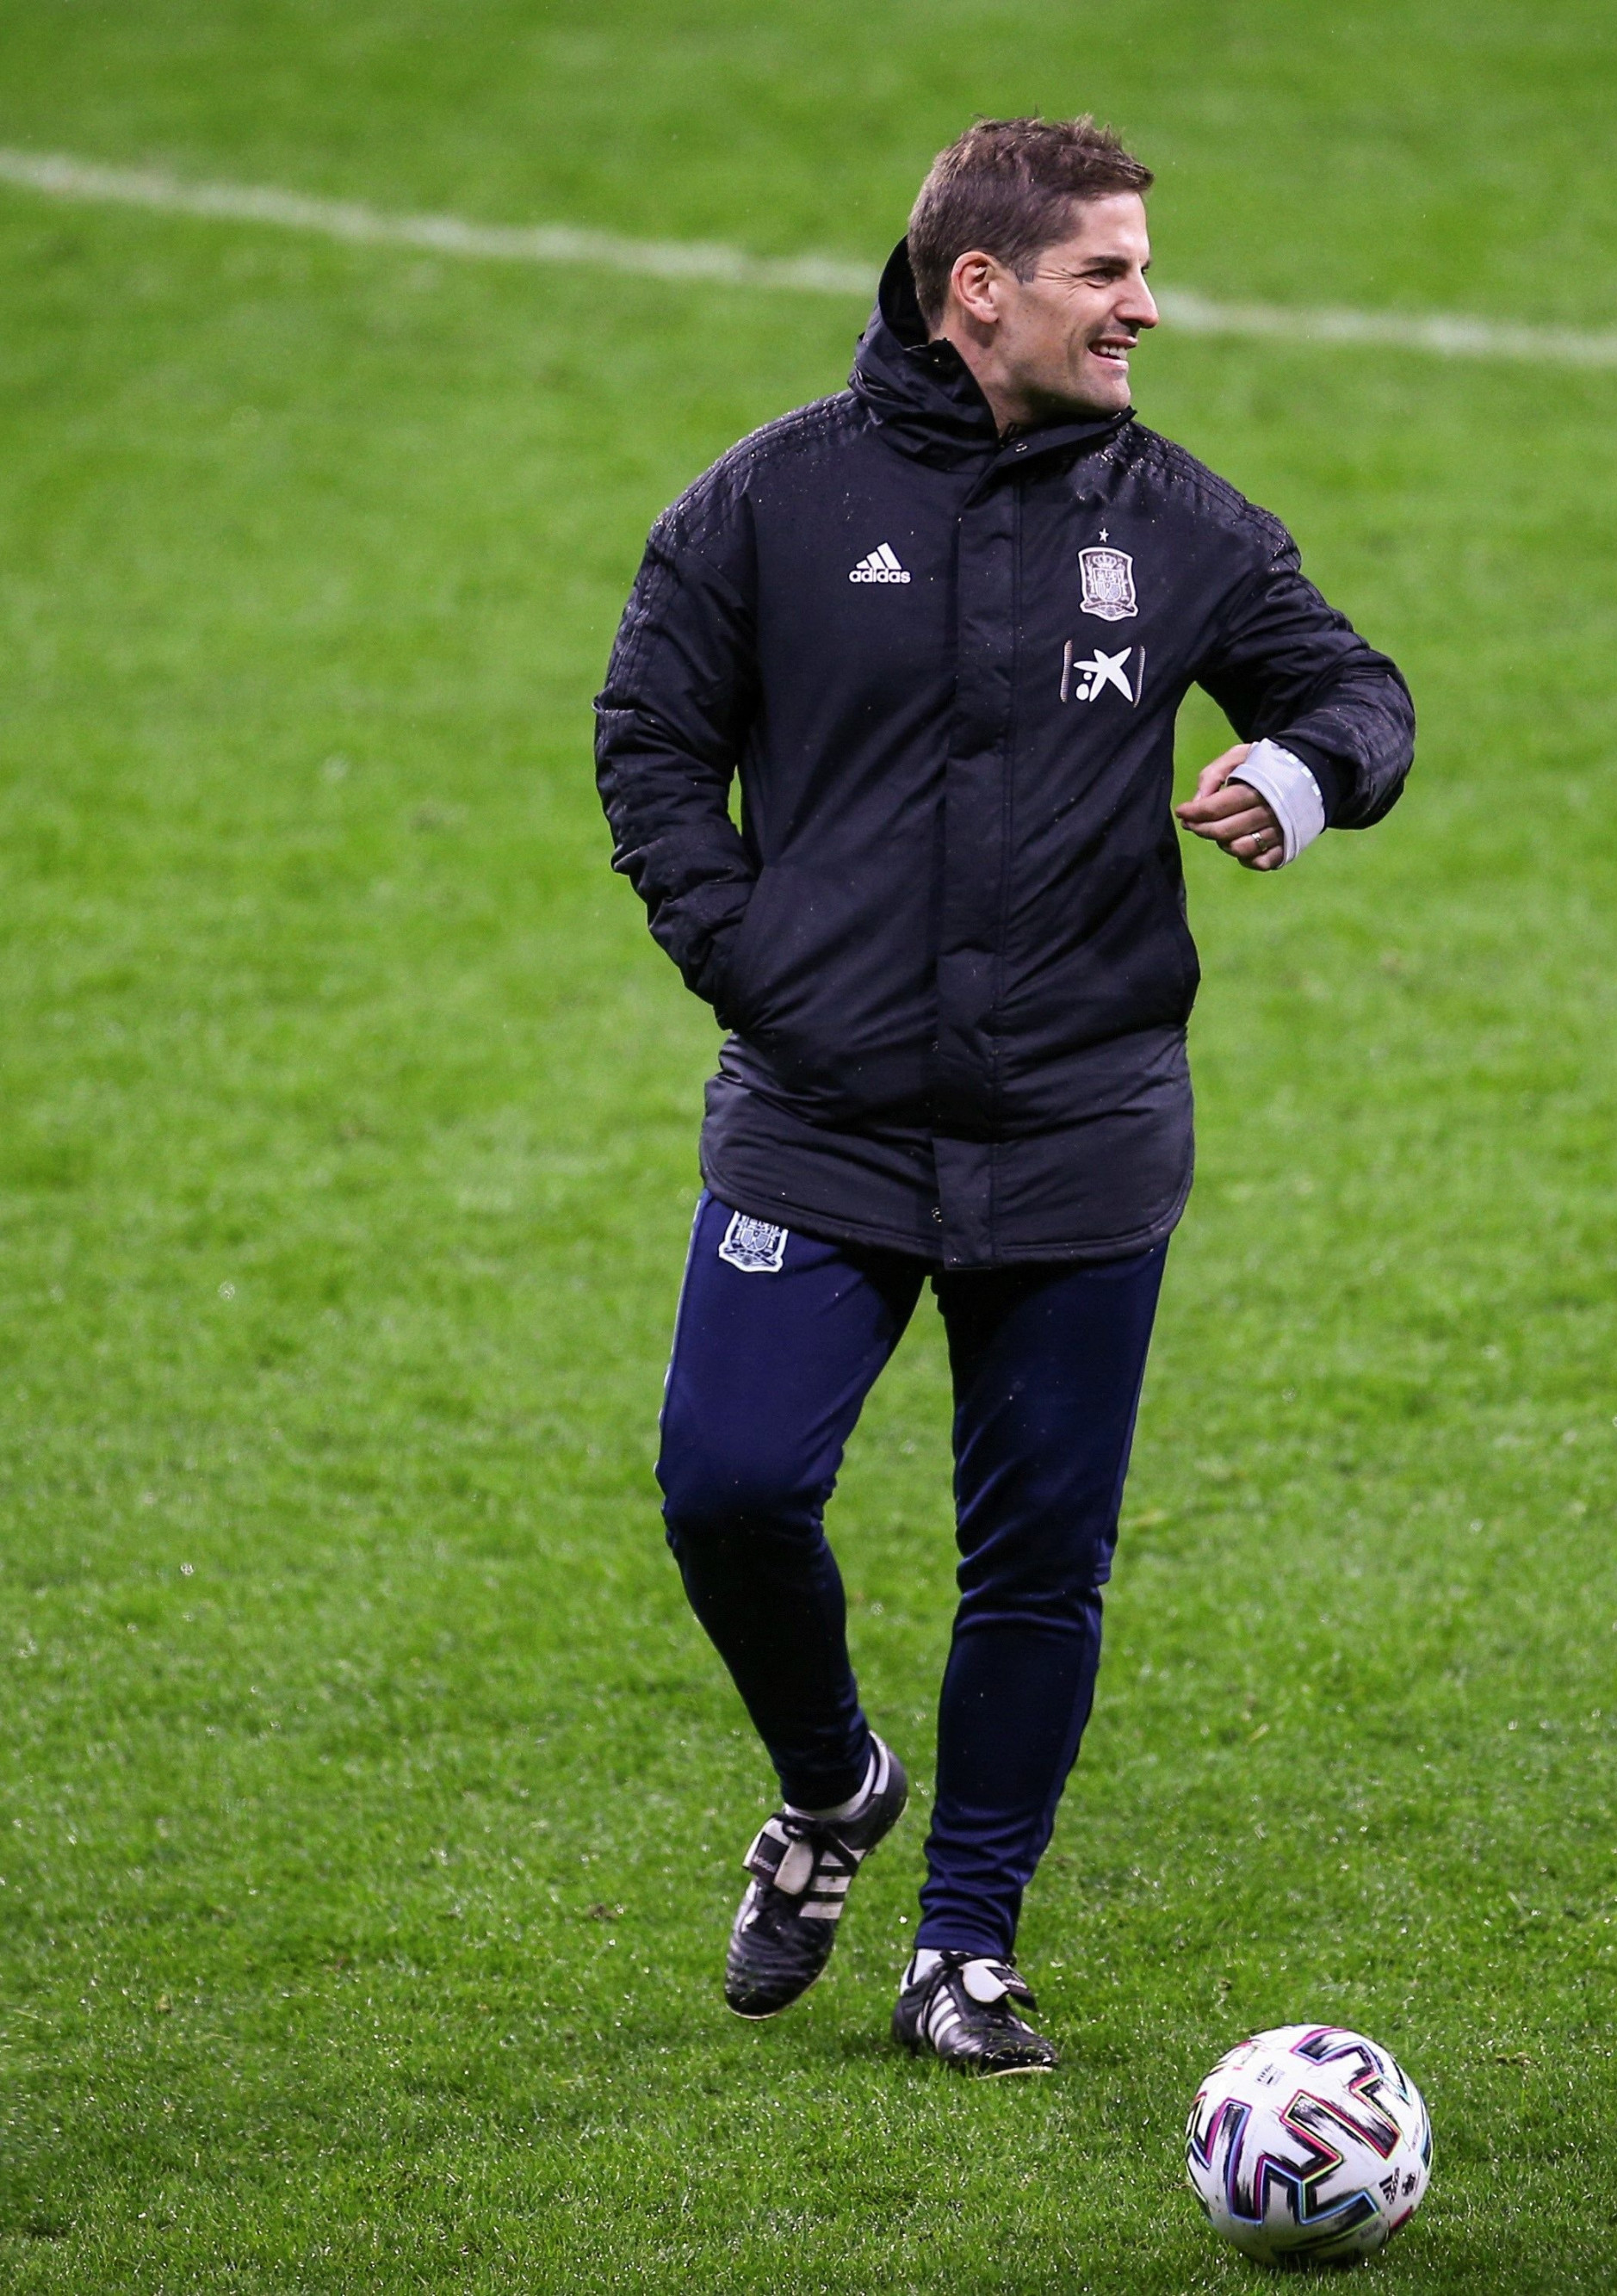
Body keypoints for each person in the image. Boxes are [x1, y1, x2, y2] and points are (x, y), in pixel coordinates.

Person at [593, 115, 1415, 2075]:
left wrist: (1297, 777)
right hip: (821, 1108)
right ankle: (831, 1781)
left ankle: (962, 1940)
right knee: (726, 1481)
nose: (1145, 304)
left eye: (1141, 269)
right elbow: (646, 744)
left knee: (1036, 1559)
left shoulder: (1182, 522)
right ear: (983, 291)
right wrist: (759, 965)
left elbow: (1358, 692)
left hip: (1078, 1123)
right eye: (1106, 272)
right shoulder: (768, 504)